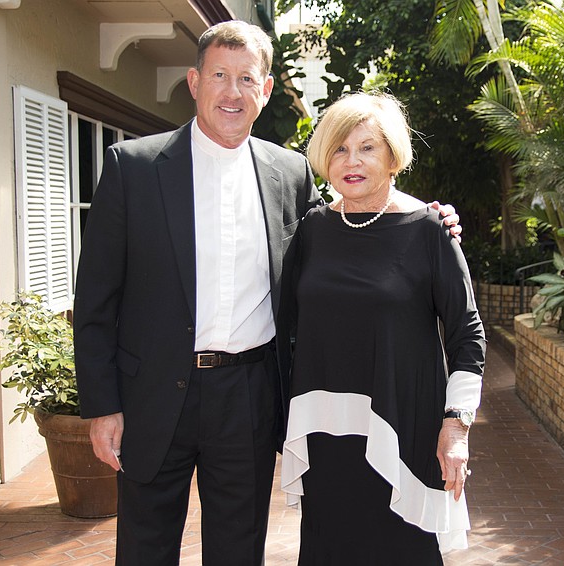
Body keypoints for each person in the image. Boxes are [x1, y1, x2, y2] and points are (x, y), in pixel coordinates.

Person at [73, 20, 461, 566]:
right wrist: (103, 406)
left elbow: (351, 224)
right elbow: (95, 301)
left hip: (249, 396)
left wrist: (429, 217)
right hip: (153, 394)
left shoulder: (290, 172)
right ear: (194, 82)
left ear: (266, 89)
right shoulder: (132, 168)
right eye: (219, 76)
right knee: (144, 549)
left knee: (239, 550)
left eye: (246, 79)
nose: (232, 92)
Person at [280, 92, 486, 565]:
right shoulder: (311, 230)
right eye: (339, 148)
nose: (351, 161)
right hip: (326, 438)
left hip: (402, 429)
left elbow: (467, 334)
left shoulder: (429, 229)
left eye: (367, 148)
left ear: (393, 157)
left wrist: (456, 427)